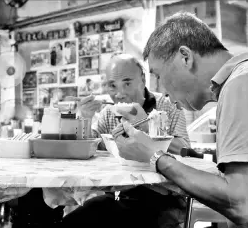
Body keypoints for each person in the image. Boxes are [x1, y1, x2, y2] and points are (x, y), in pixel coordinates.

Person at [113, 12, 248, 228]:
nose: (159, 88)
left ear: (185, 57)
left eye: (158, 75)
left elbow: (241, 204)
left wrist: (155, 157)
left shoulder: (244, 83)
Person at [60, 53, 190, 228]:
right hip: (121, 196)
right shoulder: (108, 112)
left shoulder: (168, 105)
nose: (119, 94)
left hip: (166, 199)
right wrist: (85, 118)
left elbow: (185, 150)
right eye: (112, 86)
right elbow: (92, 148)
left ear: (143, 80)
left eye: (127, 83)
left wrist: (145, 126)